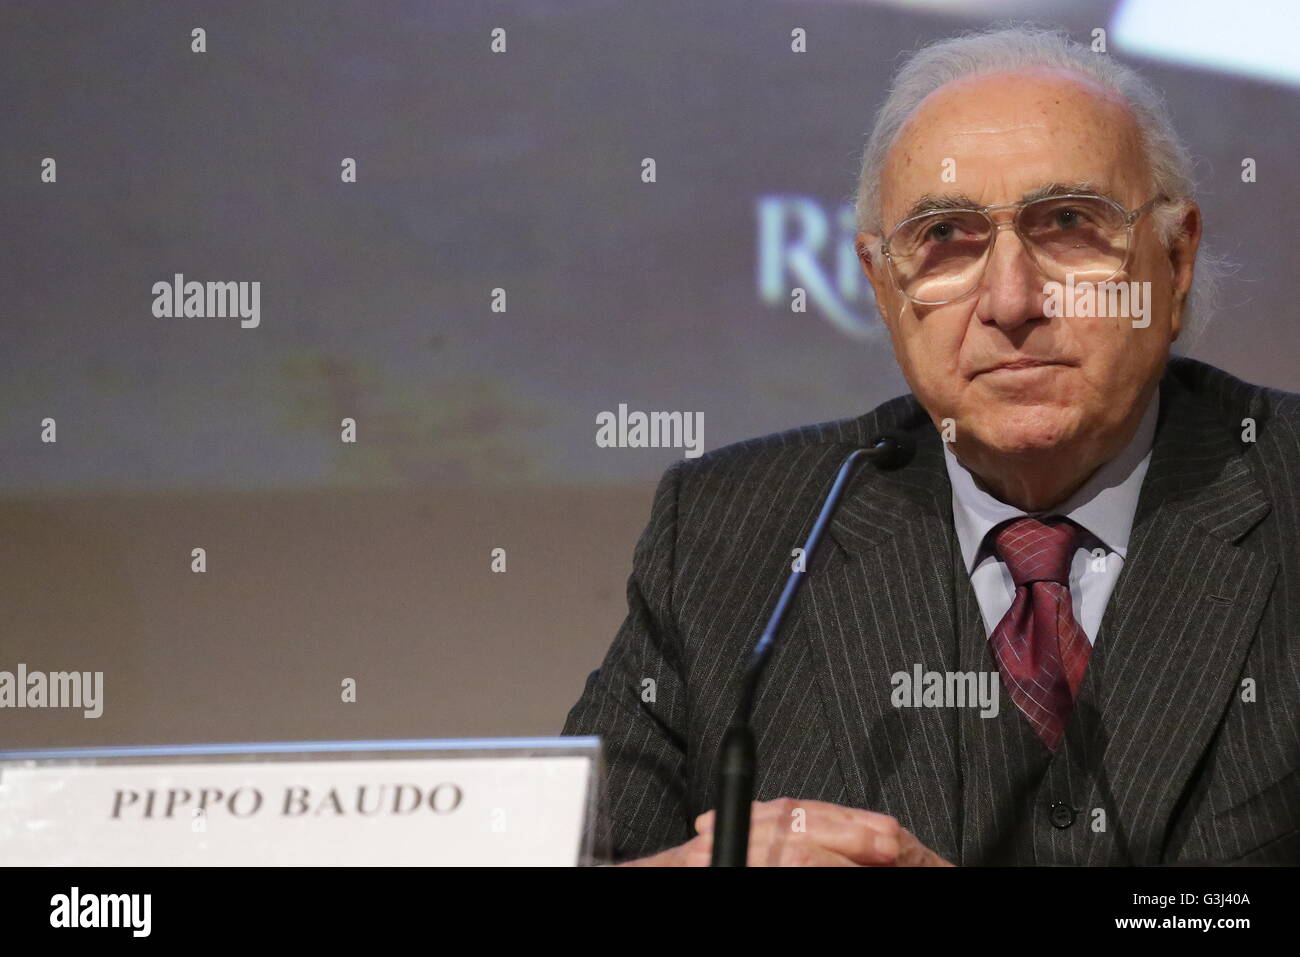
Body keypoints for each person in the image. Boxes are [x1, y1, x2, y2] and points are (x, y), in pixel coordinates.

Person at [563, 26, 1300, 866]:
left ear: (1174, 260)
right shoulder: (728, 535)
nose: (1011, 301)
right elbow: (575, 846)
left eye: (1066, 222)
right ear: (883, 289)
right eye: (946, 237)